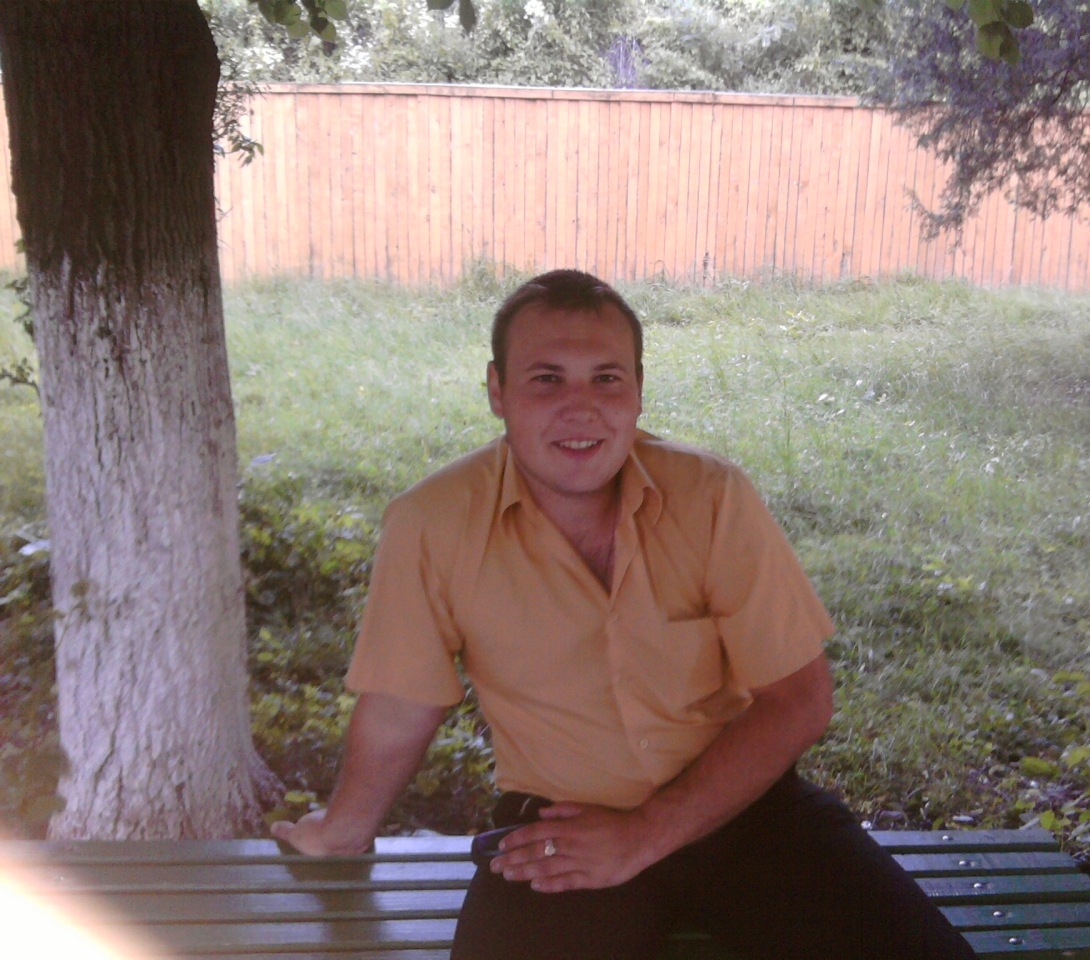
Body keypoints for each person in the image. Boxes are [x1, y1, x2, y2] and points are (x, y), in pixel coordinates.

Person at [271, 269, 977, 960]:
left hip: (742, 808)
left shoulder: (711, 496)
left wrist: (642, 836)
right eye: (547, 379)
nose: (581, 409)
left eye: (606, 378)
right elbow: (402, 704)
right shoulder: (433, 522)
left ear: (638, 391)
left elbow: (798, 700)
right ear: (497, 391)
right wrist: (342, 830)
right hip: (561, 828)